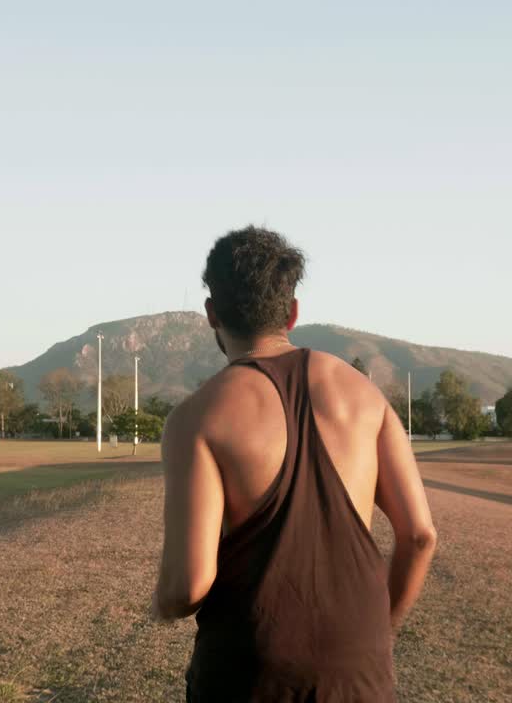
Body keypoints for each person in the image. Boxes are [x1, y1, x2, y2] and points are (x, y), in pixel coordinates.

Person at [152, 226, 437, 702]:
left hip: (246, 676)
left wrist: (159, 604)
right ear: (292, 312)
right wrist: (378, 630)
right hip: (360, 674)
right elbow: (421, 535)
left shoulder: (197, 416)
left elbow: (187, 587)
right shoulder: (364, 395)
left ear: (212, 313)